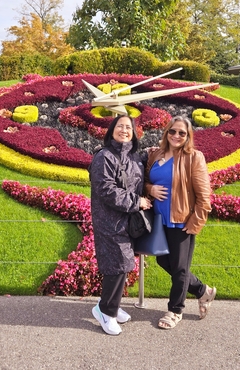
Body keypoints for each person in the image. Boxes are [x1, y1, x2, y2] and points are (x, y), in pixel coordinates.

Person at [144, 115, 216, 329]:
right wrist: (150, 189)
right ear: (166, 132)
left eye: (182, 133)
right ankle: (203, 291)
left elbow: (204, 195)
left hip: (180, 220)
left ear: (188, 136)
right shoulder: (156, 154)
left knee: (180, 268)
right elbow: (146, 181)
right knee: (164, 262)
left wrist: (195, 222)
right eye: (173, 131)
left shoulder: (194, 157)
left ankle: (175, 311)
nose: (176, 136)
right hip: (158, 219)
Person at [89, 115, 152, 336]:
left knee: (123, 265)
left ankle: (110, 305)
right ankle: (106, 312)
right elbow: (106, 190)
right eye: (120, 127)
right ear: (111, 130)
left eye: (128, 127)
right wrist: (137, 202)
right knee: (117, 265)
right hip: (109, 220)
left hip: (126, 220)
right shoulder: (104, 156)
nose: (124, 130)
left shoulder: (134, 157)